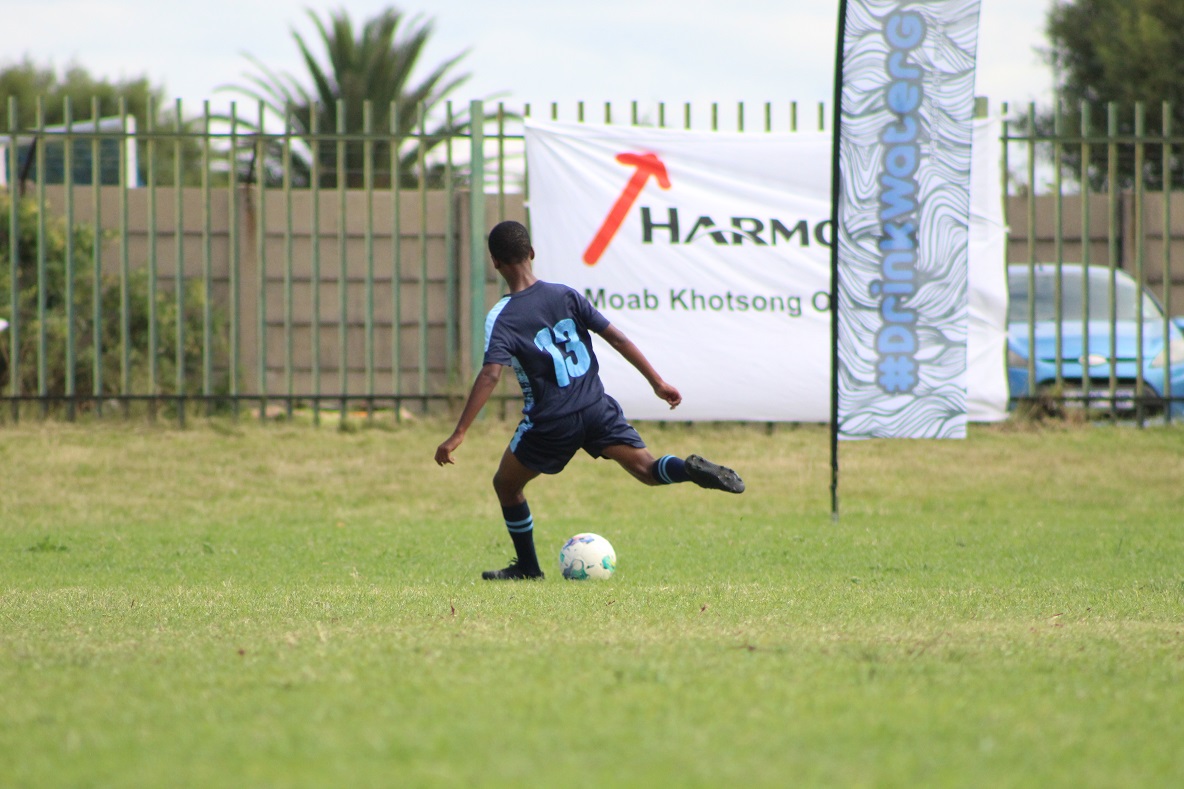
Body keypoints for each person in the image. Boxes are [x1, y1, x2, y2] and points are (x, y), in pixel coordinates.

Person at [434, 220, 744, 580]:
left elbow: (491, 375)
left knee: (506, 485)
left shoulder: (501, 317)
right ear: (531, 253)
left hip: (551, 421)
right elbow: (618, 338)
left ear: (495, 262)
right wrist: (656, 382)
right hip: (596, 407)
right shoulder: (565, 295)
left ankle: (529, 568)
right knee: (647, 470)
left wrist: (459, 433)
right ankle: (687, 470)